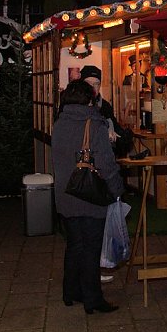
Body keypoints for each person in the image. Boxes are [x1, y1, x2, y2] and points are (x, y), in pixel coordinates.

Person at [52, 80, 124, 314]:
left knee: (75, 245)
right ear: (90, 99)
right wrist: (116, 190)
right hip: (90, 194)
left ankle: (70, 291)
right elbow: (106, 164)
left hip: (66, 194)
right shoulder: (94, 124)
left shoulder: (59, 123)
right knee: (91, 248)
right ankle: (93, 299)